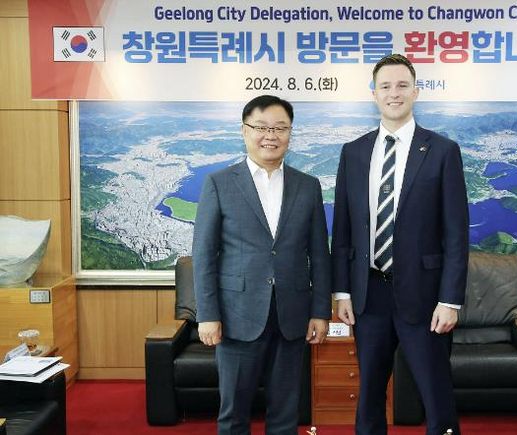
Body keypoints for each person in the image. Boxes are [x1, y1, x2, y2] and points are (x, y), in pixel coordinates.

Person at [331, 54, 469, 435]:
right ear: (374, 94)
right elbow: (342, 229)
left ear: (416, 92)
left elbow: (456, 234)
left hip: (425, 298)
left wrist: (450, 300)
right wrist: (342, 292)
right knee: (369, 397)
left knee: (437, 398)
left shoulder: (442, 151)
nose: (394, 93)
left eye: (402, 85)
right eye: (386, 86)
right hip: (369, 295)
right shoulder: (353, 152)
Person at [192, 95, 332, 435]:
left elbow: (319, 254)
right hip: (236, 315)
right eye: (262, 127)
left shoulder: (308, 186)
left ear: (290, 133)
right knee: (234, 414)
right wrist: (207, 314)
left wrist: (320, 312)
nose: (271, 135)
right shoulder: (219, 183)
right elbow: (204, 255)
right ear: (244, 131)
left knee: (285, 413)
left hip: (292, 316)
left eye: (280, 128)